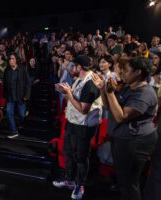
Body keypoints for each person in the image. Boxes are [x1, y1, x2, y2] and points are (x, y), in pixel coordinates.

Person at [97, 57, 158, 200]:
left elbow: (121, 116)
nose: (122, 73)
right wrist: (103, 90)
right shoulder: (127, 87)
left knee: (130, 183)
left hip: (135, 142)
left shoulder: (145, 93)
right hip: (123, 139)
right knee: (124, 180)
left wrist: (111, 93)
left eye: (126, 70)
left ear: (137, 72)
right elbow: (108, 107)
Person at [54, 55, 102, 200]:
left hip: (84, 126)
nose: (72, 69)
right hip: (73, 122)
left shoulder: (90, 83)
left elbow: (83, 109)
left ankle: (80, 184)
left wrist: (68, 93)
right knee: (68, 151)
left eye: (74, 66)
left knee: (81, 157)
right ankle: (69, 180)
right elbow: (74, 100)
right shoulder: (79, 79)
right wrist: (65, 92)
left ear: (79, 67)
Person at [3, 54, 31, 138]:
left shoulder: (22, 69)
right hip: (10, 96)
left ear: (16, 60)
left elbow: (28, 83)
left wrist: (27, 95)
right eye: (10, 59)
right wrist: (4, 94)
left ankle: (21, 123)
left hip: (20, 96)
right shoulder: (7, 70)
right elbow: (4, 83)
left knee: (22, 114)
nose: (11, 60)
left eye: (13, 58)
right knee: (9, 113)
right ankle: (14, 131)